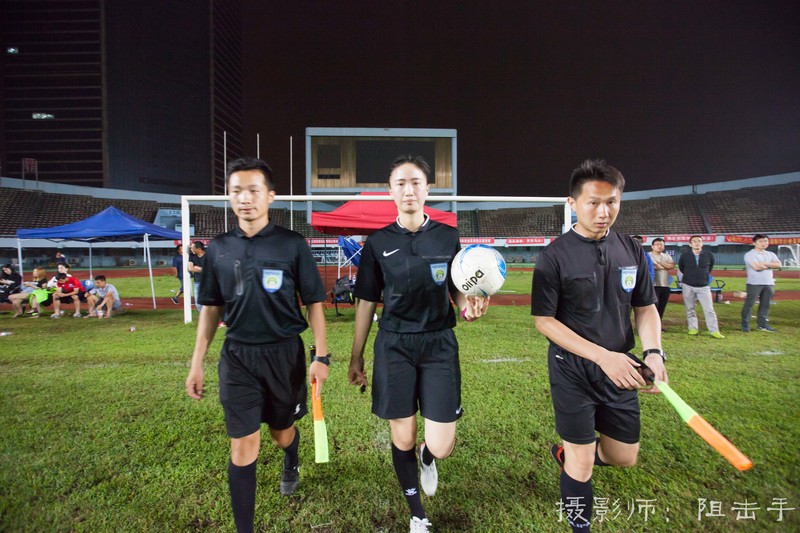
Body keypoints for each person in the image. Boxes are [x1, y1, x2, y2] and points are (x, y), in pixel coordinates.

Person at [185, 157, 330, 533]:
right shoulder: (218, 249)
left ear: (270, 196)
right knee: (243, 446)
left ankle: (291, 458)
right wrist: (197, 362)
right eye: (236, 191)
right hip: (238, 357)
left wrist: (321, 355)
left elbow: (314, 302)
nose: (244, 198)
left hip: (284, 355)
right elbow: (211, 308)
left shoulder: (292, 245)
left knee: (282, 434)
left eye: (253, 190)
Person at [348, 155, 488, 533]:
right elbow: (366, 301)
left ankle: (429, 456)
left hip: (438, 344)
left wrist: (468, 306)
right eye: (400, 183)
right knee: (403, 435)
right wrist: (356, 356)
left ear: (428, 189)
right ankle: (417, 513)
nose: (408, 190)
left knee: (441, 445)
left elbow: (458, 290)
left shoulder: (447, 236)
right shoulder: (378, 242)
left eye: (415, 183)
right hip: (394, 345)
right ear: (390, 191)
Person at [531, 159, 667, 533]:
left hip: (621, 368)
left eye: (612, 202)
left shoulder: (632, 250)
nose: (604, 212)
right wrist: (601, 356)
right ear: (573, 203)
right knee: (582, 465)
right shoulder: (553, 256)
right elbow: (544, 321)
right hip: (573, 369)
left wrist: (654, 353)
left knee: (623, 457)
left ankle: (570, 454)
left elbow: (645, 308)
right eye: (593, 203)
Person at [677, 236, 724, 338]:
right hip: (688, 285)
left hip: (703, 286)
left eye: (699, 241)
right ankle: (693, 328)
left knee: (709, 310)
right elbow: (682, 268)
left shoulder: (708, 255)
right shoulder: (685, 256)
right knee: (690, 308)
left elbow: (709, 268)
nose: (697, 243)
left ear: (702, 243)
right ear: (690, 244)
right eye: (694, 241)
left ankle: (714, 331)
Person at [741, 234, 781, 332]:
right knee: (749, 304)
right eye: (761, 241)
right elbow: (757, 267)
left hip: (769, 283)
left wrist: (765, 264)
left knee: (765, 304)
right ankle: (745, 324)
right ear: (754, 243)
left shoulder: (771, 254)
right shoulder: (750, 254)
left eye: (765, 241)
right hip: (754, 283)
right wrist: (771, 265)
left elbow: (779, 265)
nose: (764, 243)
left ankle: (762, 324)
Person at [648, 237, 674, 322]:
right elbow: (655, 267)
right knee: (654, 306)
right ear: (652, 246)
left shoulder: (666, 256)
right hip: (653, 285)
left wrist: (660, 263)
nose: (660, 246)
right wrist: (665, 266)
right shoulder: (648, 255)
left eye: (662, 244)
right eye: (657, 244)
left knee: (662, 307)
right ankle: (652, 324)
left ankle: (658, 324)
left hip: (665, 285)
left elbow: (672, 266)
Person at [188, 241, 206, 311]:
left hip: (209, 281)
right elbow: (190, 268)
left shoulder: (209, 255)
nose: (191, 249)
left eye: (192, 248)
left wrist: (196, 267)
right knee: (198, 303)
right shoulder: (191, 256)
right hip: (197, 281)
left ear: (198, 248)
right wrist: (204, 270)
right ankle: (202, 316)